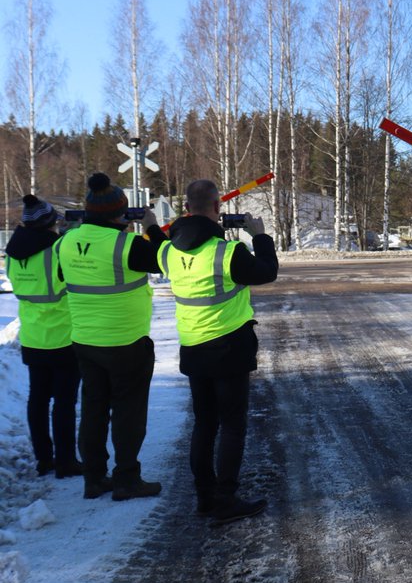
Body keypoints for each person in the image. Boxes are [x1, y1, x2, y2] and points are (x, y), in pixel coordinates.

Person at [159, 179, 278, 524]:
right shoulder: (227, 252)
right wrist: (259, 236)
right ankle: (226, 498)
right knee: (232, 425)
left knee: (204, 424)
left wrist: (154, 227)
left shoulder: (168, 252)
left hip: (193, 349)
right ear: (217, 208)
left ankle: (205, 497)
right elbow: (267, 272)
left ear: (186, 209)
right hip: (229, 349)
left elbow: (158, 247)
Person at [57, 172, 166, 500]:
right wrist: (151, 227)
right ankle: (127, 479)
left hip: (85, 340)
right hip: (126, 342)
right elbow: (165, 260)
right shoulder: (128, 244)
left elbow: (64, 274)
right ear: (120, 214)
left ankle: (93, 478)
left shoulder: (65, 242)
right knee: (128, 412)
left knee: (93, 409)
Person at [5, 195, 82, 479]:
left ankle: (44, 459)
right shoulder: (57, 251)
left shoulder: (12, 254)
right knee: (63, 402)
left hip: (33, 337)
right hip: (63, 337)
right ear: (50, 222)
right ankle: (66, 461)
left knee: (37, 400)